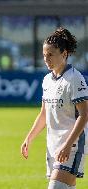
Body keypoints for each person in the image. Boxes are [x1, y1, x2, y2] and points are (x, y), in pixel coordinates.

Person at [21, 27, 88, 189]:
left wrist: (67, 144)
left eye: (50, 54)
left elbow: (84, 115)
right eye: (44, 55)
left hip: (71, 145)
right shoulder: (46, 80)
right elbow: (44, 114)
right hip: (53, 146)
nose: (46, 59)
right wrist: (29, 138)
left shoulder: (74, 78)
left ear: (64, 54)